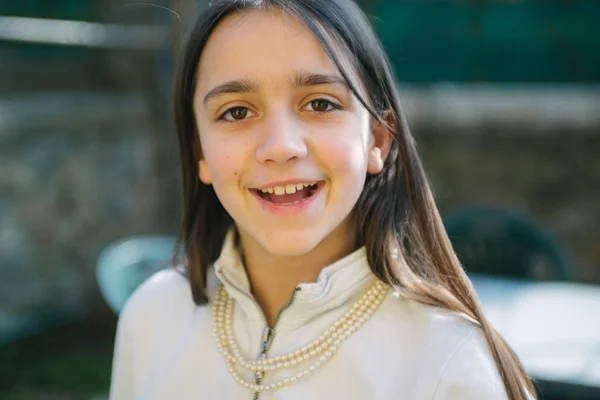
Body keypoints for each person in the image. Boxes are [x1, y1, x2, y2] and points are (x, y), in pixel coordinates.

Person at [109, 0, 537, 398]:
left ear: (379, 140)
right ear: (199, 150)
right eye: (237, 112)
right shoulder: (151, 316)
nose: (280, 146)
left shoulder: (448, 358)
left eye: (319, 103)